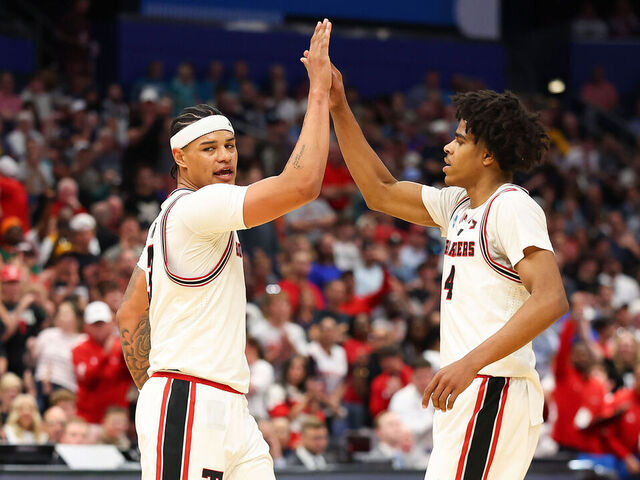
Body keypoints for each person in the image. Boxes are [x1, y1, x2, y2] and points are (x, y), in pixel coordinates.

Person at [327, 62, 568, 480]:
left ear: (489, 154)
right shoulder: (456, 205)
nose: (448, 148)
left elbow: (551, 298)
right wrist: (338, 105)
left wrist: (468, 364)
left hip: (493, 385)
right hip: (468, 388)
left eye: (460, 140)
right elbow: (379, 190)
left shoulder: (511, 206)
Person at [116, 19, 333, 480]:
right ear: (179, 158)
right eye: (209, 148)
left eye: (230, 145)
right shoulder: (199, 208)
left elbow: (131, 314)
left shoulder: (170, 221)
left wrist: (156, 389)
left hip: (228, 406)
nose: (225, 157)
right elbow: (303, 184)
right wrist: (318, 92)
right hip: (191, 400)